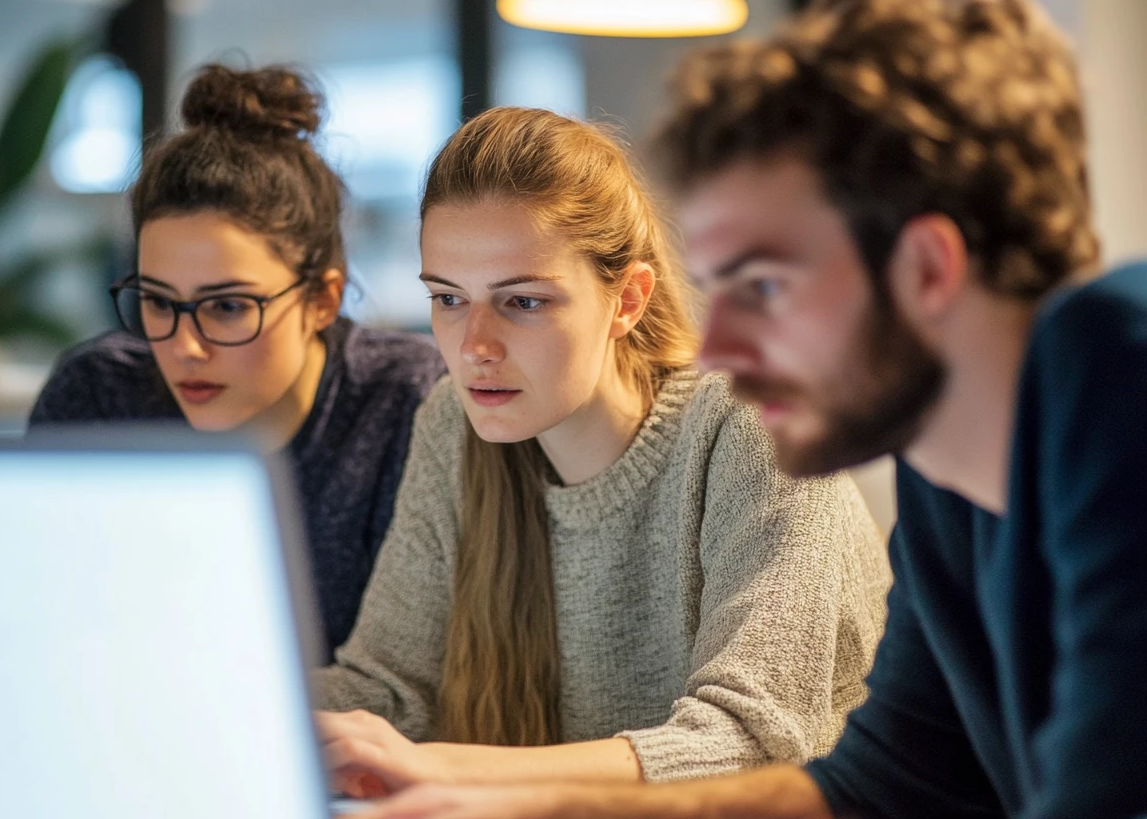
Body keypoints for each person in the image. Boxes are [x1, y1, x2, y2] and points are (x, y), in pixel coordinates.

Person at [354, 0, 1147, 819]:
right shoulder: (946, 478)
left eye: (764, 286)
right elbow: (878, 788)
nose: (720, 348)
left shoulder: (1111, 363)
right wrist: (532, 805)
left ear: (925, 268)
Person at [312, 106, 890, 793]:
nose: (473, 348)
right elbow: (388, 690)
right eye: (448, 298)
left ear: (628, 300)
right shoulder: (454, 426)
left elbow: (755, 740)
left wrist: (447, 768)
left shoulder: (753, 426)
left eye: (522, 302)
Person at [28, 64, 445, 659]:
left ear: (322, 299)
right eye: (157, 301)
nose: (184, 345)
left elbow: (424, 682)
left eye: (226, 306)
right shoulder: (97, 397)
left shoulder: (408, 403)